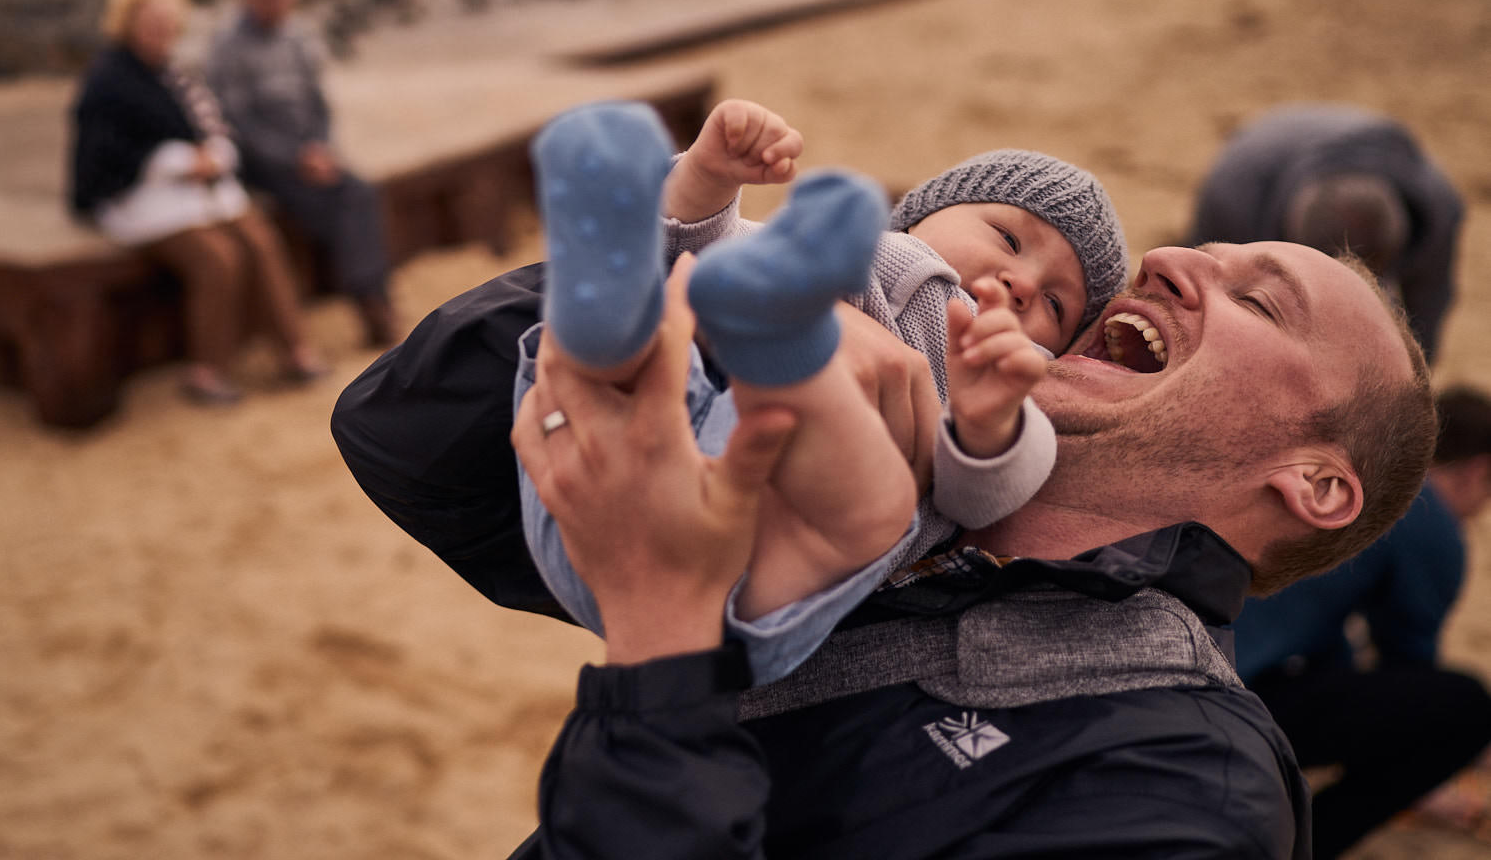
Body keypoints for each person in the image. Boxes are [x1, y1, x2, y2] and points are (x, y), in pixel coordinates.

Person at [335, 203, 1435, 855]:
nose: (1171, 261)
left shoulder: (1187, 782)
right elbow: (410, 439)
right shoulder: (877, 491)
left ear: (1316, 482)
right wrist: (739, 282)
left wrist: (665, 635)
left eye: (1260, 301)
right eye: (1208, 251)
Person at [514, 99, 1129, 682]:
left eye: (1055, 302)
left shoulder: (1015, 386)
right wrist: (708, 178)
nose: (1021, 282)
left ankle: (717, 343)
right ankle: (609, 327)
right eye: (1009, 238)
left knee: (844, 451)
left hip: (760, 581)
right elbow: (698, 250)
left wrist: (984, 423)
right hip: (616, 476)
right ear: (920, 216)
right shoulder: (861, 259)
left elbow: (980, 501)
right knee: (671, 313)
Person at [1233, 386, 1491, 858]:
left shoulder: (1343, 467)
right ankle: (1305, 843)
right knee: (1466, 707)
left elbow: (1315, 615)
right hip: (1238, 697)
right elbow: (1410, 665)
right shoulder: (1428, 514)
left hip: (1202, 648)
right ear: (1478, 471)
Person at [69, 0, 328, 405]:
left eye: (168, 23)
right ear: (127, 22)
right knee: (216, 258)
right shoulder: (107, 80)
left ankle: (294, 350)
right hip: (137, 199)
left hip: (195, 193)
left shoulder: (172, 74)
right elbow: (101, 157)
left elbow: (212, 125)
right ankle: (208, 370)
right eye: (151, 22)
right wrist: (175, 161)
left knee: (259, 238)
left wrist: (214, 155)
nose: (161, 31)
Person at [207, 0, 400, 347]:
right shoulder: (228, 47)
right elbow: (237, 121)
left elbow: (318, 103)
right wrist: (296, 157)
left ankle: (371, 297)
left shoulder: (298, 39)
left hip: (309, 153)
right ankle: (371, 300)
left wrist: (320, 147)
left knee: (358, 192)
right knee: (340, 204)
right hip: (265, 162)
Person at [1187, 103, 1464, 363]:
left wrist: (1411, 381)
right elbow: (1203, 294)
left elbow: (1427, 308)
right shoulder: (1234, 196)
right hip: (1259, 167)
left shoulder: (1436, 212)